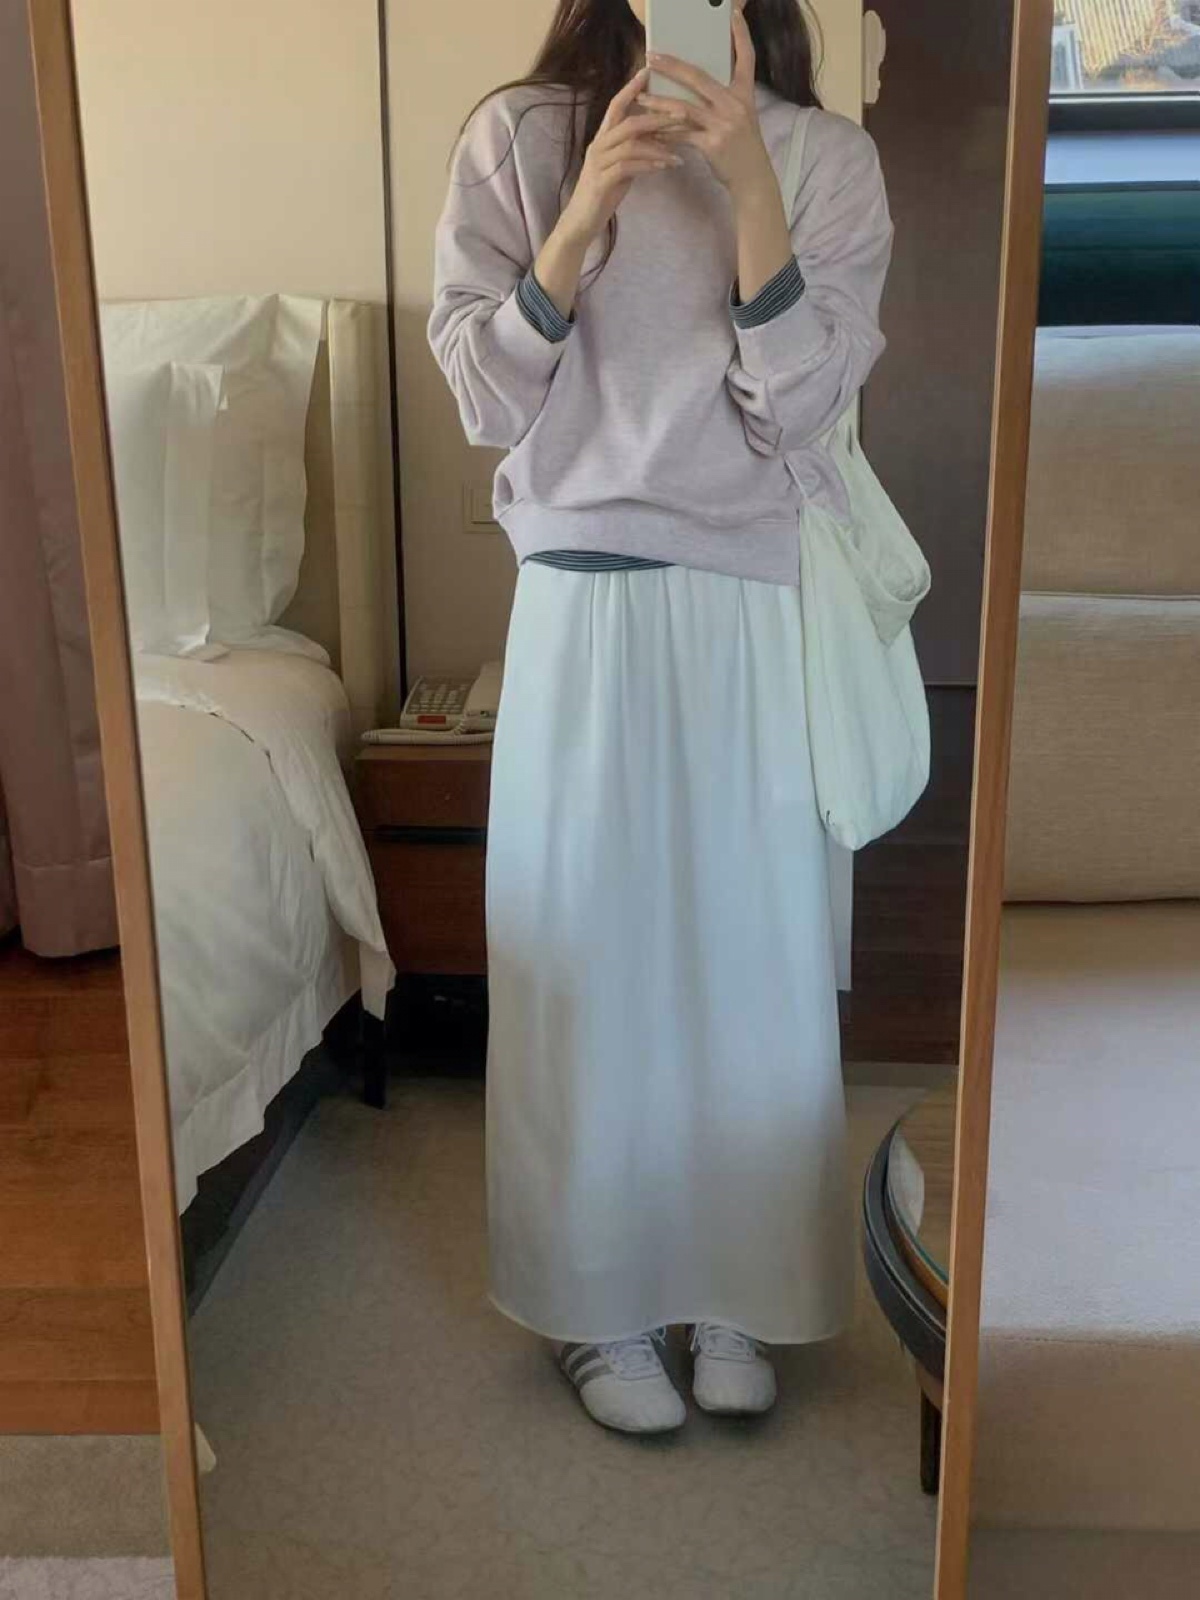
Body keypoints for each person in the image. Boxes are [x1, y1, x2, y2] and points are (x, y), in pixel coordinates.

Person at [428, 0, 893, 1435]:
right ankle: (599, 1303)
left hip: (752, 595)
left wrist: (748, 184)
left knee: (748, 960)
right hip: (580, 594)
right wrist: (584, 215)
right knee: (586, 957)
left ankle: (737, 1285)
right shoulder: (519, 136)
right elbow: (481, 398)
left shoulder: (827, 159)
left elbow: (803, 413)